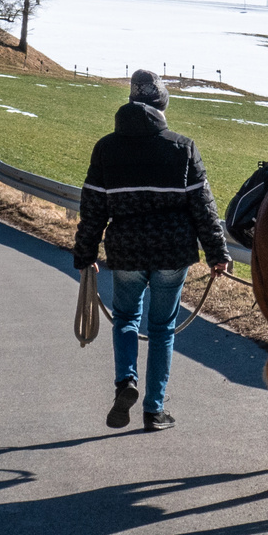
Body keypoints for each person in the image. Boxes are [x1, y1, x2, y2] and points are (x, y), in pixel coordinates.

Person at [73, 69, 231, 432]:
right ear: (162, 105)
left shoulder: (106, 148)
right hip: (172, 253)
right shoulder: (182, 147)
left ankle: (125, 382)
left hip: (126, 250)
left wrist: (85, 255)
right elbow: (203, 209)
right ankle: (154, 409)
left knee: (127, 318)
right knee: (162, 329)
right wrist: (217, 253)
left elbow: (93, 208)